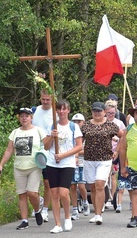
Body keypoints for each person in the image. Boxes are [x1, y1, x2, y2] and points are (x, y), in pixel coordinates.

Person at [0, 107, 47, 230]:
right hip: (19, 167)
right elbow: (9, 150)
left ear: (31, 118)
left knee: (32, 193)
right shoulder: (15, 132)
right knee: (22, 194)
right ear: (19, 118)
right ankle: (24, 220)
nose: (24, 118)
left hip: (34, 166)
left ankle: (37, 210)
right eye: (22, 116)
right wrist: (1, 164)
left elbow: (47, 145)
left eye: (27, 116)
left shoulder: (38, 131)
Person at [44, 100, 83, 233]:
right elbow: (46, 146)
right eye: (59, 109)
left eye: (64, 109)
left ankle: (67, 216)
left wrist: (63, 155)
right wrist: (51, 137)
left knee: (64, 193)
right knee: (54, 194)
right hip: (52, 162)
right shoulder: (52, 125)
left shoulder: (73, 127)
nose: (61, 111)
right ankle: (57, 224)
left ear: (68, 111)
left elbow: (79, 146)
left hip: (67, 163)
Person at [81, 102, 121, 225]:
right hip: (88, 159)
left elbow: (122, 136)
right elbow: (79, 140)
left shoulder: (110, 125)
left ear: (104, 112)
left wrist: (117, 151)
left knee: (99, 184)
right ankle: (96, 212)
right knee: (92, 187)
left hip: (104, 159)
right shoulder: (86, 125)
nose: (97, 113)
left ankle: (99, 215)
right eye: (94, 111)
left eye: (99, 111)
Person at [32, 89, 57, 222]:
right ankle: (38, 201)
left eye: (48, 99)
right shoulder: (34, 111)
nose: (46, 102)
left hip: (49, 151)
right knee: (33, 183)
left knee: (47, 183)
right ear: (40, 98)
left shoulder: (55, 113)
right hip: (34, 151)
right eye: (43, 99)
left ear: (52, 99)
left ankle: (46, 210)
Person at [105, 102, 126, 212]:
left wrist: (117, 141)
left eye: (113, 113)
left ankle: (111, 198)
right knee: (106, 175)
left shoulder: (119, 123)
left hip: (116, 152)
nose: (111, 115)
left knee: (113, 175)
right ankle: (105, 196)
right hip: (104, 152)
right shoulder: (102, 122)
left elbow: (124, 137)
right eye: (108, 113)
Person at [69, 113, 90, 220]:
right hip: (71, 162)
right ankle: (74, 209)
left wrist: (75, 151)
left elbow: (87, 150)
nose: (77, 123)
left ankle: (85, 202)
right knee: (72, 186)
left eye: (79, 121)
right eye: (74, 122)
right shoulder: (70, 133)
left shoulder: (86, 134)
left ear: (83, 122)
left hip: (83, 163)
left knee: (81, 186)